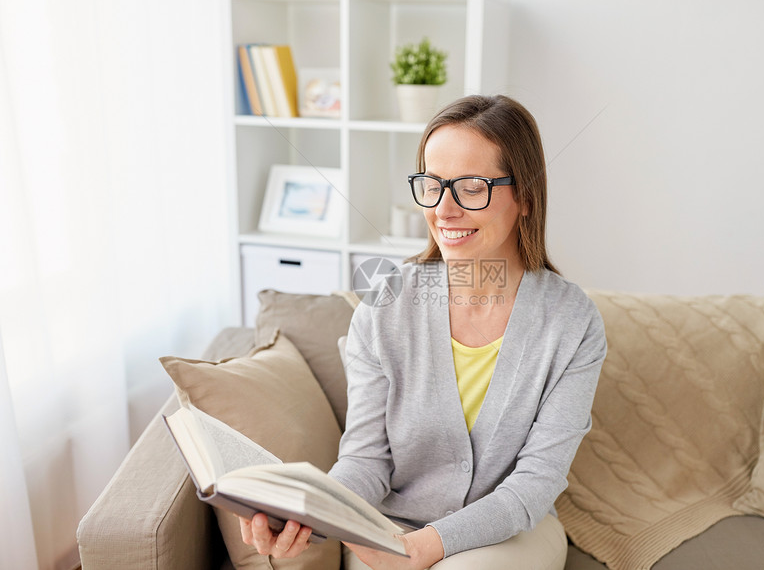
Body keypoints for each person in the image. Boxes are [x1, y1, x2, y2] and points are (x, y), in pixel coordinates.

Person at [239, 94, 607, 569]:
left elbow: (535, 481)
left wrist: (431, 546)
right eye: (432, 184)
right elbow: (366, 461)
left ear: (527, 197)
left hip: (511, 531)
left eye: (471, 187)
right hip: (394, 527)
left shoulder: (572, 323)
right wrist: (310, 517)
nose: (444, 210)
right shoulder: (384, 305)